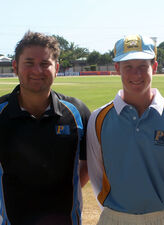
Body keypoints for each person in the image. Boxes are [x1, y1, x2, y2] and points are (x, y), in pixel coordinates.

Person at [87, 34, 164, 225]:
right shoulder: (99, 118)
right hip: (114, 218)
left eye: (142, 67)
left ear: (153, 67)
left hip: (163, 217)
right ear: (117, 68)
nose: (136, 75)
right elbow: (96, 175)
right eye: (128, 67)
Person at [0, 31, 90, 225]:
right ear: (15, 66)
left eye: (45, 64)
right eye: (29, 63)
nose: (37, 71)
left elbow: (89, 163)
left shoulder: (77, 112)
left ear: (56, 68)